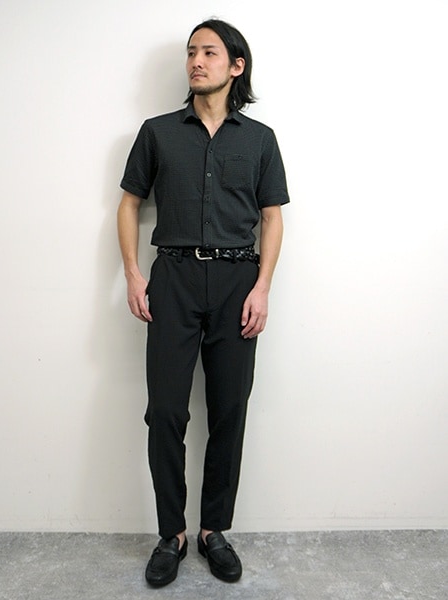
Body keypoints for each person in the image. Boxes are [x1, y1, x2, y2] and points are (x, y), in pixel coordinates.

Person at [117, 18, 289, 587]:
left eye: (210, 52)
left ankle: (214, 529)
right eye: (191, 52)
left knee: (229, 409)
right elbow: (129, 204)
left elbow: (271, 218)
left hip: (239, 282)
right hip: (173, 279)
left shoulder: (259, 139)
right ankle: (172, 533)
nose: (196, 61)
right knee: (166, 411)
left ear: (236, 66)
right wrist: (133, 274)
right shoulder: (158, 132)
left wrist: (262, 287)